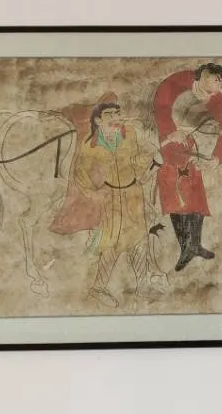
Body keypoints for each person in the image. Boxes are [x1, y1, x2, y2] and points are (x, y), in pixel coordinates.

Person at [70, 92, 167, 308]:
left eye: (117, 113)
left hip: (133, 194)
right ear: (98, 120)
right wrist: (93, 193)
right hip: (111, 197)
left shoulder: (129, 134)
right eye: (109, 114)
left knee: (139, 239)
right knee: (111, 243)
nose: (115, 118)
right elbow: (80, 172)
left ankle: (142, 285)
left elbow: (135, 161)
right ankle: (98, 287)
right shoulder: (91, 145)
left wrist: (151, 158)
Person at [152, 63, 222, 271]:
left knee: (196, 197)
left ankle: (195, 245)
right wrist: (171, 132)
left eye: (221, 84)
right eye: (217, 81)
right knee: (176, 198)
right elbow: (161, 109)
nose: (219, 87)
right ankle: (185, 248)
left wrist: (217, 157)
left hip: (195, 150)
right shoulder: (174, 84)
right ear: (205, 75)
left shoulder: (217, 99)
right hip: (169, 147)